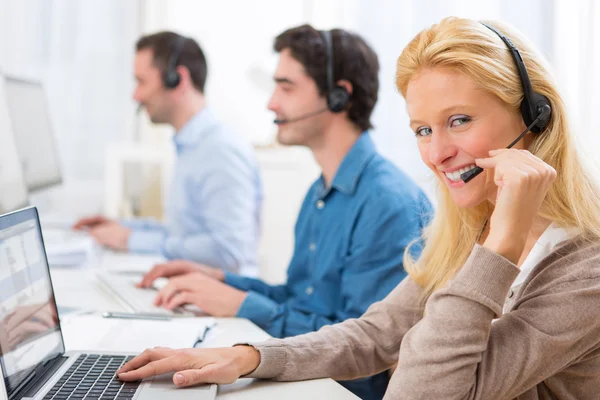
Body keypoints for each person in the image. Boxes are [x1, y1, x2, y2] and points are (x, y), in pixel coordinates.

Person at [117, 17, 600, 399]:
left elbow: (417, 392)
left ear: (536, 116)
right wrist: (250, 357)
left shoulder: (585, 272)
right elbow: (377, 332)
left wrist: (501, 248)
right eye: (423, 130)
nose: (436, 154)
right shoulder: (469, 228)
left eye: (459, 120)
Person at [134, 25, 432, 399]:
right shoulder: (319, 192)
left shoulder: (388, 203)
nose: (271, 103)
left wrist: (242, 304)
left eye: (287, 87)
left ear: (339, 96)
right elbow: (299, 300)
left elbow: (366, 355)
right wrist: (222, 280)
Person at [74, 31, 262, 275]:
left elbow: (228, 252)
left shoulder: (220, 151)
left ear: (178, 79)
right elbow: (182, 234)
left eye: (141, 82)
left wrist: (130, 240)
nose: (136, 95)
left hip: (219, 299)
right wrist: (125, 228)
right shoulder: (192, 146)